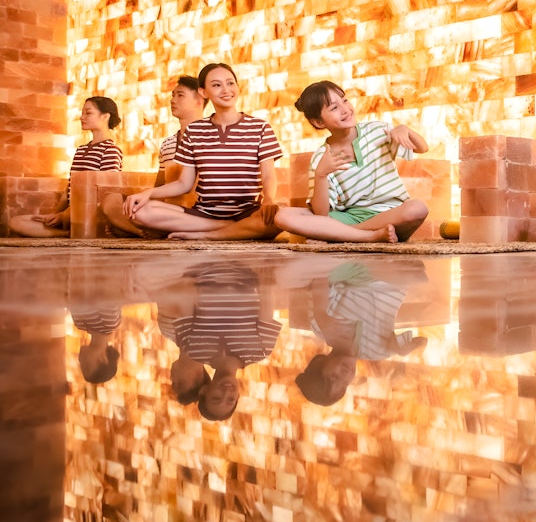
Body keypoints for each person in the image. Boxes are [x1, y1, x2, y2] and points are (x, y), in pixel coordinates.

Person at [122, 63, 284, 240]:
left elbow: (268, 175)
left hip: (248, 211)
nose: (226, 90)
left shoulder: (260, 127)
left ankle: (206, 236)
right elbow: (184, 184)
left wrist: (269, 199)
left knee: (280, 218)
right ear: (203, 92)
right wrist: (148, 193)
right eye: (216, 85)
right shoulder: (195, 131)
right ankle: (231, 229)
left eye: (230, 83)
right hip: (205, 214)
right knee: (140, 212)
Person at [274, 81, 429, 243]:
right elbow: (321, 214)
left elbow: (422, 148)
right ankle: (369, 237)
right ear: (319, 122)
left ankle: (341, 235)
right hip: (350, 216)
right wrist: (321, 174)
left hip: (391, 214)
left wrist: (404, 129)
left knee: (417, 208)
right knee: (283, 216)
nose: (345, 109)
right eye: (334, 108)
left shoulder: (378, 130)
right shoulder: (321, 157)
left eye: (345, 100)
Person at [157, 260, 282, 420]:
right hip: (247, 267)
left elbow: (185, 294)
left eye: (216, 398)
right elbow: (267, 293)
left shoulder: (192, 349)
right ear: (238, 395)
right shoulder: (261, 350)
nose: (226, 393)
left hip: (204, 264)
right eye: (231, 399)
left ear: (204, 391)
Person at [294, 260, 429, 406]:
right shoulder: (377, 351)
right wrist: (404, 350)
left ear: (320, 362)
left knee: (316, 271)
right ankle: (393, 267)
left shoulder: (321, 327)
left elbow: (319, 279)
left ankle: (387, 265)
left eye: (334, 376)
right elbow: (422, 341)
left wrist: (321, 314)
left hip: (361, 275)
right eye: (345, 383)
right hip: (391, 282)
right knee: (414, 276)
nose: (345, 375)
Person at [101, 76, 207, 236]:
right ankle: (140, 231)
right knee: (111, 200)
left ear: (199, 101)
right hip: (168, 210)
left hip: (197, 213)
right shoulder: (168, 144)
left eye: (180, 95)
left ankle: (138, 229)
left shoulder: (210, 138)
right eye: (172, 95)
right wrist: (138, 203)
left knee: (135, 216)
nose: (173, 100)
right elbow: (159, 187)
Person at [9, 96, 123, 238]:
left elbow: (105, 193)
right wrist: (56, 214)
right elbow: (69, 188)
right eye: (82, 113)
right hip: (70, 212)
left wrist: (66, 214)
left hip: (89, 213)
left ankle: (76, 233)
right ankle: (70, 233)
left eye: (88, 113)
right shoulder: (81, 150)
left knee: (22, 225)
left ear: (105, 116)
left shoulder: (111, 150)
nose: (82, 117)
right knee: (17, 222)